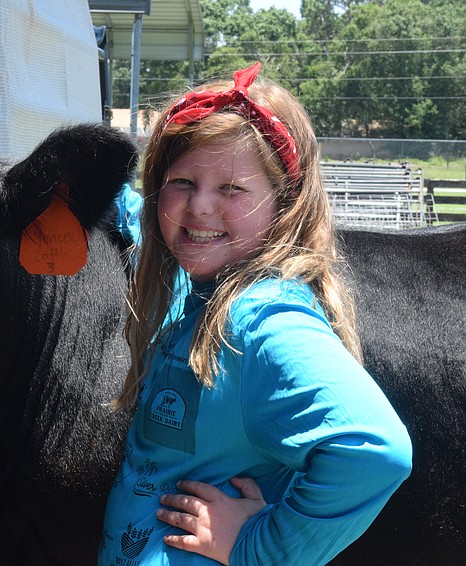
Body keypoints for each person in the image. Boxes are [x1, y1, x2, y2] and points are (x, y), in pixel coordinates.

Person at [99, 62, 412, 566]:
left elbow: (375, 451)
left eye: (231, 189)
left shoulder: (260, 321)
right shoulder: (195, 287)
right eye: (182, 181)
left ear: (283, 204)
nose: (200, 207)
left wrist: (255, 548)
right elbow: (141, 215)